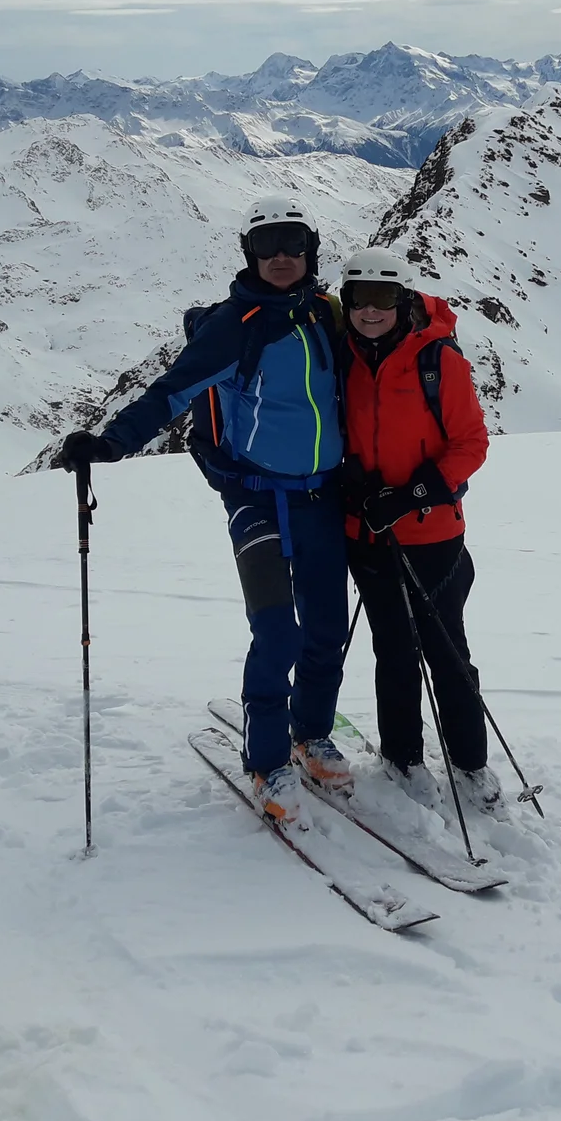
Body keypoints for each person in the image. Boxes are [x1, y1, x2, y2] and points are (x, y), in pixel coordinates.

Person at [52, 195, 353, 827]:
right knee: (277, 631)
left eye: (292, 242)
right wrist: (109, 442)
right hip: (256, 495)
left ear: (310, 250)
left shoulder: (330, 314)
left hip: (325, 494)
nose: (279, 256)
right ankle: (268, 760)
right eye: (266, 244)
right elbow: (172, 391)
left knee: (327, 628)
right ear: (249, 252)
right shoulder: (235, 324)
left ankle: (311, 733)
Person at [333, 246, 500, 814]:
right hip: (367, 533)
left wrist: (413, 494)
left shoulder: (438, 360)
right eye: (360, 299)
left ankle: (470, 763)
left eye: (383, 298)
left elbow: (471, 443)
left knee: (448, 649)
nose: (371, 311)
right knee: (395, 650)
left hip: (433, 535)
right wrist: (354, 482)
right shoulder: (341, 356)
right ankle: (403, 757)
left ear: (402, 301)